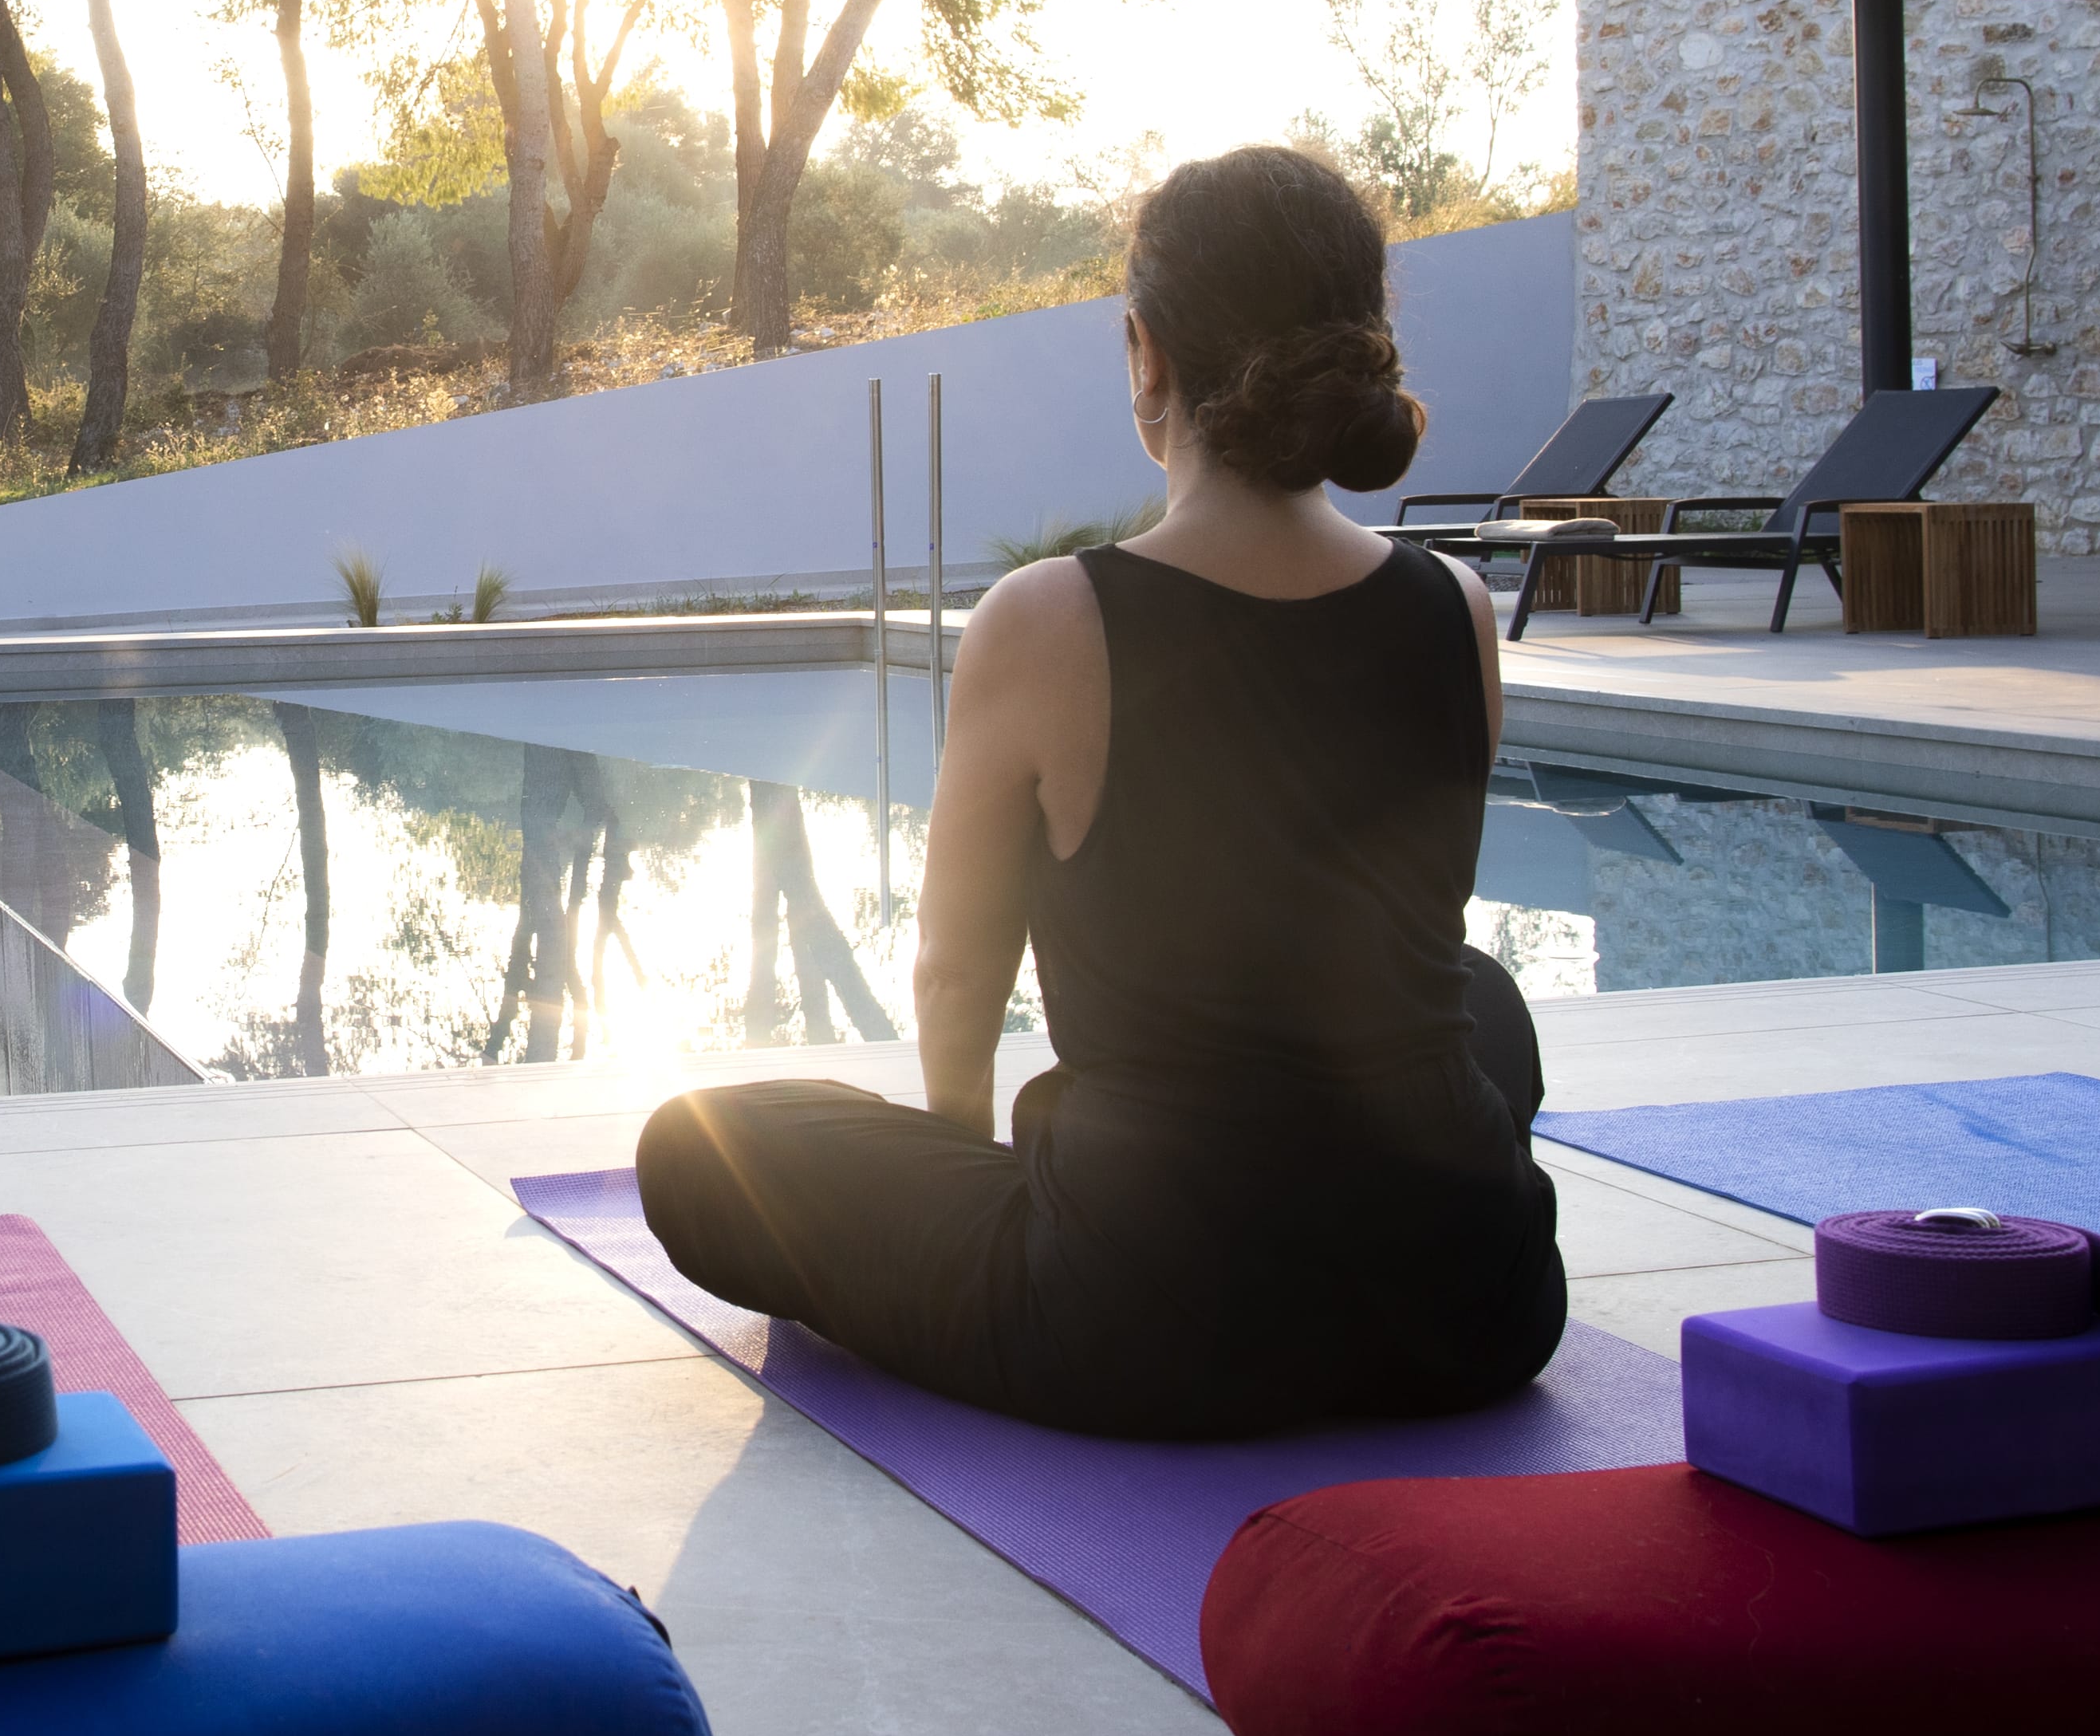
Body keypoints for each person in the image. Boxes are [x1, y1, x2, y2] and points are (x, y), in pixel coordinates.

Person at [632, 145, 1565, 1439]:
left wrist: (955, 1172)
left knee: (696, 1149)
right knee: (1478, 997)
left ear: (1146, 355)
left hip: (1157, 1320)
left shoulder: (1050, 621)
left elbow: (958, 975)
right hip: (1475, 1303)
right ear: (1361, 339)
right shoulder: (1457, 606)